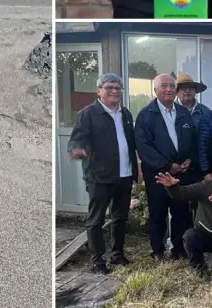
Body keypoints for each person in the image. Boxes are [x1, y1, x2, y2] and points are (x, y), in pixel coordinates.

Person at [67, 74, 139, 274]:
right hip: (100, 176)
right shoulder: (88, 114)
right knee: (96, 220)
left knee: (120, 217)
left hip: (124, 174)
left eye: (118, 88)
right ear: (98, 91)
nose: (115, 91)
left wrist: (136, 169)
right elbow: (77, 138)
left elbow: (130, 143)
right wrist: (77, 149)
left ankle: (117, 255)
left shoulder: (125, 114)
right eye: (109, 87)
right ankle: (98, 260)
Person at [134, 74, 201, 261]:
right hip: (158, 174)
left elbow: (193, 140)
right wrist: (166, 166)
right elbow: (143, 147)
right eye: (164, 86)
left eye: (172, 86)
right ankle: (157, 250)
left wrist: (190, 159)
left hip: (182, 174)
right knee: (158, 213)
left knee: (181, 212)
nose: (169, 89)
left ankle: (178, 249)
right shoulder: (146, 115)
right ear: (155, 90)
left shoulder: (182, 112)